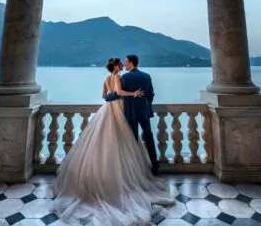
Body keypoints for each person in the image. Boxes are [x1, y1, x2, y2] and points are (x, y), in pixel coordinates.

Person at [52, 57, 174, 225]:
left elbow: (105, 96)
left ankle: (103, 174)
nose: (123, 65)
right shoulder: (124, 77)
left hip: (109, 110)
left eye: (125, 62)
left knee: (109, 141)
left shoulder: (108, 77)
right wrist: (136, 94)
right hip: (126, 110)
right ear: (117, 66)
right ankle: (149, 166)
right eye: (121, 64)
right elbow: (121, 93)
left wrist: (113, 97)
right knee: (128, 140)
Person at [105, 55, 159, 174]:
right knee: (149, 137)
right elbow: (151, 94)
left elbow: (119, 93)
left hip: (131, 112)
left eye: (126, 62)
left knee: (133, 139)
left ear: (130, 62)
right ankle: (155, 164)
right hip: (144, 111)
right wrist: (146, 105)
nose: (124, 64)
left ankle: (135, 169)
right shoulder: (146, 76)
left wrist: (108, 97)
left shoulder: (125, 77)